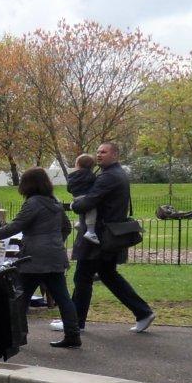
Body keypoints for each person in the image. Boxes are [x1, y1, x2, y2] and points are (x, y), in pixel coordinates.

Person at [0, 168, 79, 348]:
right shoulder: (54, 203)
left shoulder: (33, 203)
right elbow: (67, 227)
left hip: (33, 258)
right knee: (63, 298)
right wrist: (55, 242)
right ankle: (73, 335)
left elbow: (15, 227)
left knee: (20, 297)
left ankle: (16, 337)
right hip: (55, 256)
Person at [66, 142, 155, 334]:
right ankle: (143, 312)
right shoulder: (115, 174)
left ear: (115, 155)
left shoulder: (109, 177)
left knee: (82, 277)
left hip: (100, 237)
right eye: (97, 152)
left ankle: (74, 323)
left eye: (103, 152)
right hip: (110, 234)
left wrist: (73, 206)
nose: (99, 155)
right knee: (108, 275)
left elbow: (89, 201)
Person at [66, 154, 100, 245]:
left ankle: (80, 224)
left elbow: (68, 188)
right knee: (92, 211)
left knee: (83, 210)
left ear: (77, 164)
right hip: (86, 197)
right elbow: (95, 186)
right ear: (92, 166)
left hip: (76, 198)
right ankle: (90, 231)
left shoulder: (71, 176)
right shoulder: (91, 175)